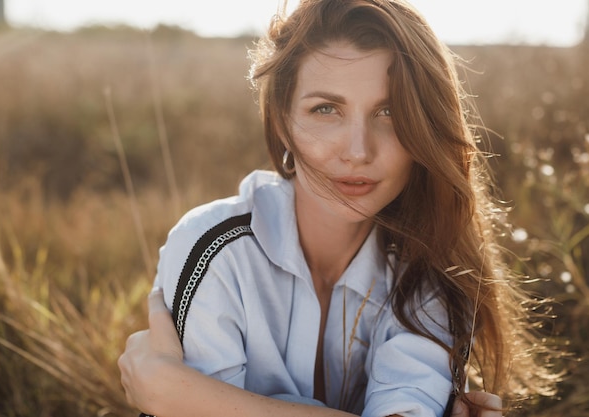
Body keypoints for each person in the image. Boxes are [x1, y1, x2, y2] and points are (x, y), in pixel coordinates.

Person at [119, 0, 559, 416]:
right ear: (281, 122)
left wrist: (187, 396)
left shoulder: (435, 275)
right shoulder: (216, 250)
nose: (357, 150)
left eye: (388, 112)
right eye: (326, 109)